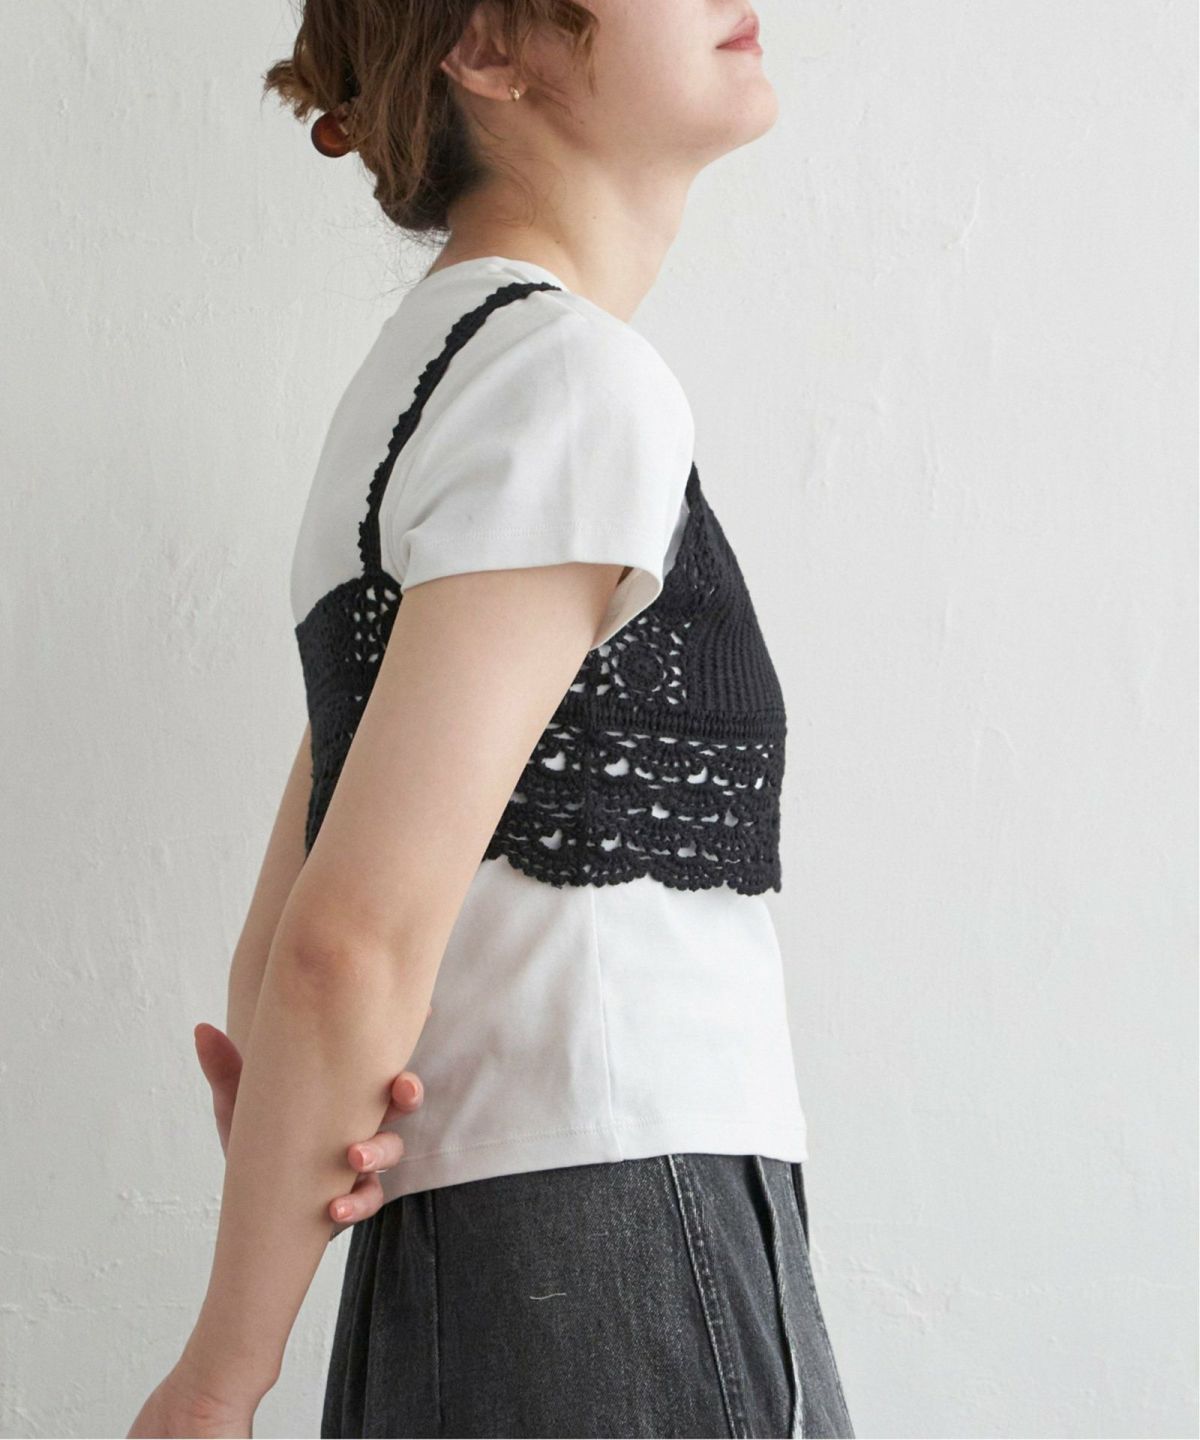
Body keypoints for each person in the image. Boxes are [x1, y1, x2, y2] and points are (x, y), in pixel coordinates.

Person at [127, 2, 855, 1436]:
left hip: (480, 1258)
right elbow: (342, 943)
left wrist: (289, 1123)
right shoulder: (567, 381)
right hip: (622, 1241)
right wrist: (219, 1379)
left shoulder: (426, 381)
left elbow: (285, 950)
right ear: (491, 50)